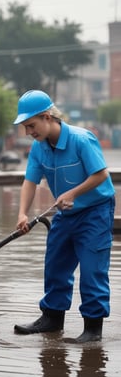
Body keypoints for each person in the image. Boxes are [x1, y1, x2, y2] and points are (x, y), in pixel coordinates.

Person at [13, 90, 115, 343]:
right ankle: (51, 319)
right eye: (26, 127)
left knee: (92, 270)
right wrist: (22, 213)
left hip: (95, 212)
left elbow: (101, 175)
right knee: (56, 264)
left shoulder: (82, 140)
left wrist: (73, 193)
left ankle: (92, 329)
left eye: (31, 126)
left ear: (47, 117)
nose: (29, 133)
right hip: (66, 213)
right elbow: (30, 181)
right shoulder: (39, 149)